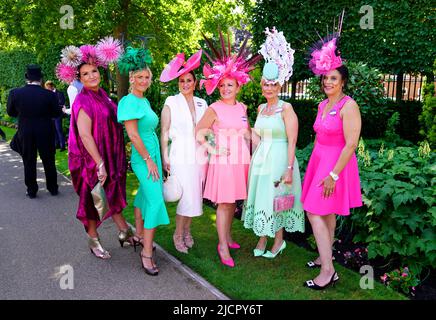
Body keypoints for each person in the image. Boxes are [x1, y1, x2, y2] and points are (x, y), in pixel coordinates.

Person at [57, 37, 134, 259]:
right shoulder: (82, 100)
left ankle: (124, 232)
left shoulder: (102, 96)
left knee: (111, 194)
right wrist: (99, 163)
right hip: (90, 161)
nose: (91, 76)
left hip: (108, 156)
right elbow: (84, 134)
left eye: (94, 72)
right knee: (93, 200)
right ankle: (93, 240)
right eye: (85, 74)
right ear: (78, 78)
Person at [301, 13, 363, 290]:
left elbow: (351, 144)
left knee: (314, 211)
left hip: (336, 166)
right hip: (320, 160)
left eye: (333, 78)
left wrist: (333, 175)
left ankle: (328, 271)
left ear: (343, 81)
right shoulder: (321, 105)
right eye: (325, 78)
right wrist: (316, 165)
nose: (328, 82)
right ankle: (322, 255)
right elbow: (319, 137)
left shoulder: (349, 106)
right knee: (325, 214)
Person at [196, 30, 261, 268]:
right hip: (223, 162)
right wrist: (213, 149)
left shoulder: (242, 107)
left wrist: (263, 144)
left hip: (240, 161)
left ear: (237, 86)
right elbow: (199, 131)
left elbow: (246, 131)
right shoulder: (214, 108)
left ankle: (229, 237)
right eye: (222, 85)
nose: (226, 89)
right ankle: (222, 245)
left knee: (233, 202)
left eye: (230, 85)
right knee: (224, 204)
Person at [242, 27, 305, 258]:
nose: (268, 88)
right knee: (262, 197)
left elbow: (292, 141)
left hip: (280, 159)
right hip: (261, 159)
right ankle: (262, 237)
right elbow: (258, 138)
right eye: (265, 84)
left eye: (272, 85)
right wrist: (246, 130)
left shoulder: (286, 108)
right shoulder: (260, 108)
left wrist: (289, 169)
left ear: (279, 86)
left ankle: (278, 241)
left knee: (277, 199)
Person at [117, 46, 170, 276]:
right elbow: (133, 135)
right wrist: (148, 160)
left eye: (147, 77)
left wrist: (158, 158)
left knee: (143, 196)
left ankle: (138, 234)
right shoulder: (129, 102)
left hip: (154, 155)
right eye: (140, 76)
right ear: (131, 77)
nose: (144, 80)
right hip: (143, 158)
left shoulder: (145, 101)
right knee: (156, 201)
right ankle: (146, 252)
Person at [159, 50, 208, 253]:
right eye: (182, 81)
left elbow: (208, 130)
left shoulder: (202, 103)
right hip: (180, 154)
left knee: (195, 196)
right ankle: (178, 234)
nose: (185, 84)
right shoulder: (171, 101)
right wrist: (164, 156)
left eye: (189, 80)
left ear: (195, 83)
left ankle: (188, 230)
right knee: (185, 195)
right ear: (178, 83)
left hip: (199, 155)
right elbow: (164, 131)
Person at [7, 64, 62, 198]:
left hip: (25, 130)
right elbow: (56, 113)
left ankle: (32, 190)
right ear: (41, 78)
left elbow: (11, 112)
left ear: (26, 77)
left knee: (28, 160)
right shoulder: (49, 95)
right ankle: (52, 188)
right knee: (48, 160)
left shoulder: (15, 93)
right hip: (45, 130)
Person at [45, 80, 66, 151]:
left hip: (57, 114)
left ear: (52, 86)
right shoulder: (48, 94)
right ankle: (56, 144)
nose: (47, 89)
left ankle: (62, 145)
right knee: (53, 130)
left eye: (48, 88)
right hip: (51, 115)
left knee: (59, 130)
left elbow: (61, 103)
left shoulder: (59, 93)